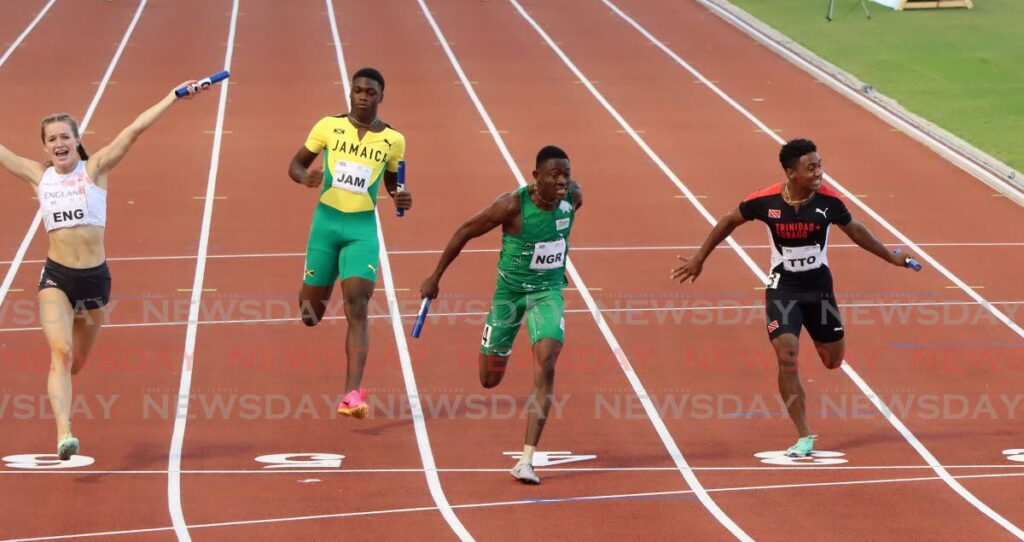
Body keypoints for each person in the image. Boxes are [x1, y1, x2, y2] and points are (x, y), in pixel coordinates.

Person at [0, 80, 212, 460]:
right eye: (52, 139)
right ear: (45, 146)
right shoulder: (39, 176)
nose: (59, 143)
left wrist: (172, 97)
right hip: (56, 277)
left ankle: (64, 386)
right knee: (61, 352)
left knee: (76, 363)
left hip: (95, 280)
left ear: (76, 140)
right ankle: (64, 434)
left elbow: (134, 130)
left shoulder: (94, 169)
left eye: (65, 136)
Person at [671, 138, 919, 457]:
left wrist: (890, 256)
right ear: (791, 173)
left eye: (820, 166)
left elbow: (856, 230)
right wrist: (699, 257)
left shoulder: (829, 202)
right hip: (783, 288)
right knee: (787, 355)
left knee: (832, 361)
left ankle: (823, 347)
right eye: (811, 168)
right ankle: (804, 434)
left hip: (819, 289)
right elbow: (729, 220)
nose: (818, 173)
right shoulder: (765, 201)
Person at [420, 145, 582, 484]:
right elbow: (465, 231)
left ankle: (526, 460)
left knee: (547, 361)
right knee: (489, 378)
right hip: (509, 296)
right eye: (554, 175)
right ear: (536, 177)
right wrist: (435, 277)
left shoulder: (573, 198)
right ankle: (500, 347)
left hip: (547, 293)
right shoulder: (511, 205)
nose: (562, 181)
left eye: (566, 174)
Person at [288, 67, 411, 419]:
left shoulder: (393, 140)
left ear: (380, 96)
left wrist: (400, 196)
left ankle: (352, 394)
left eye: (370, 92)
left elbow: (394, 182)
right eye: (357, 90)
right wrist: (305, 177)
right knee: (310, 315)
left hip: (362, 229)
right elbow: (295, 165)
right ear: (350, 92)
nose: (362, 96)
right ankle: (313, 285)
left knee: (357, 300)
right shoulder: (328, 126)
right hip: (326, 225)